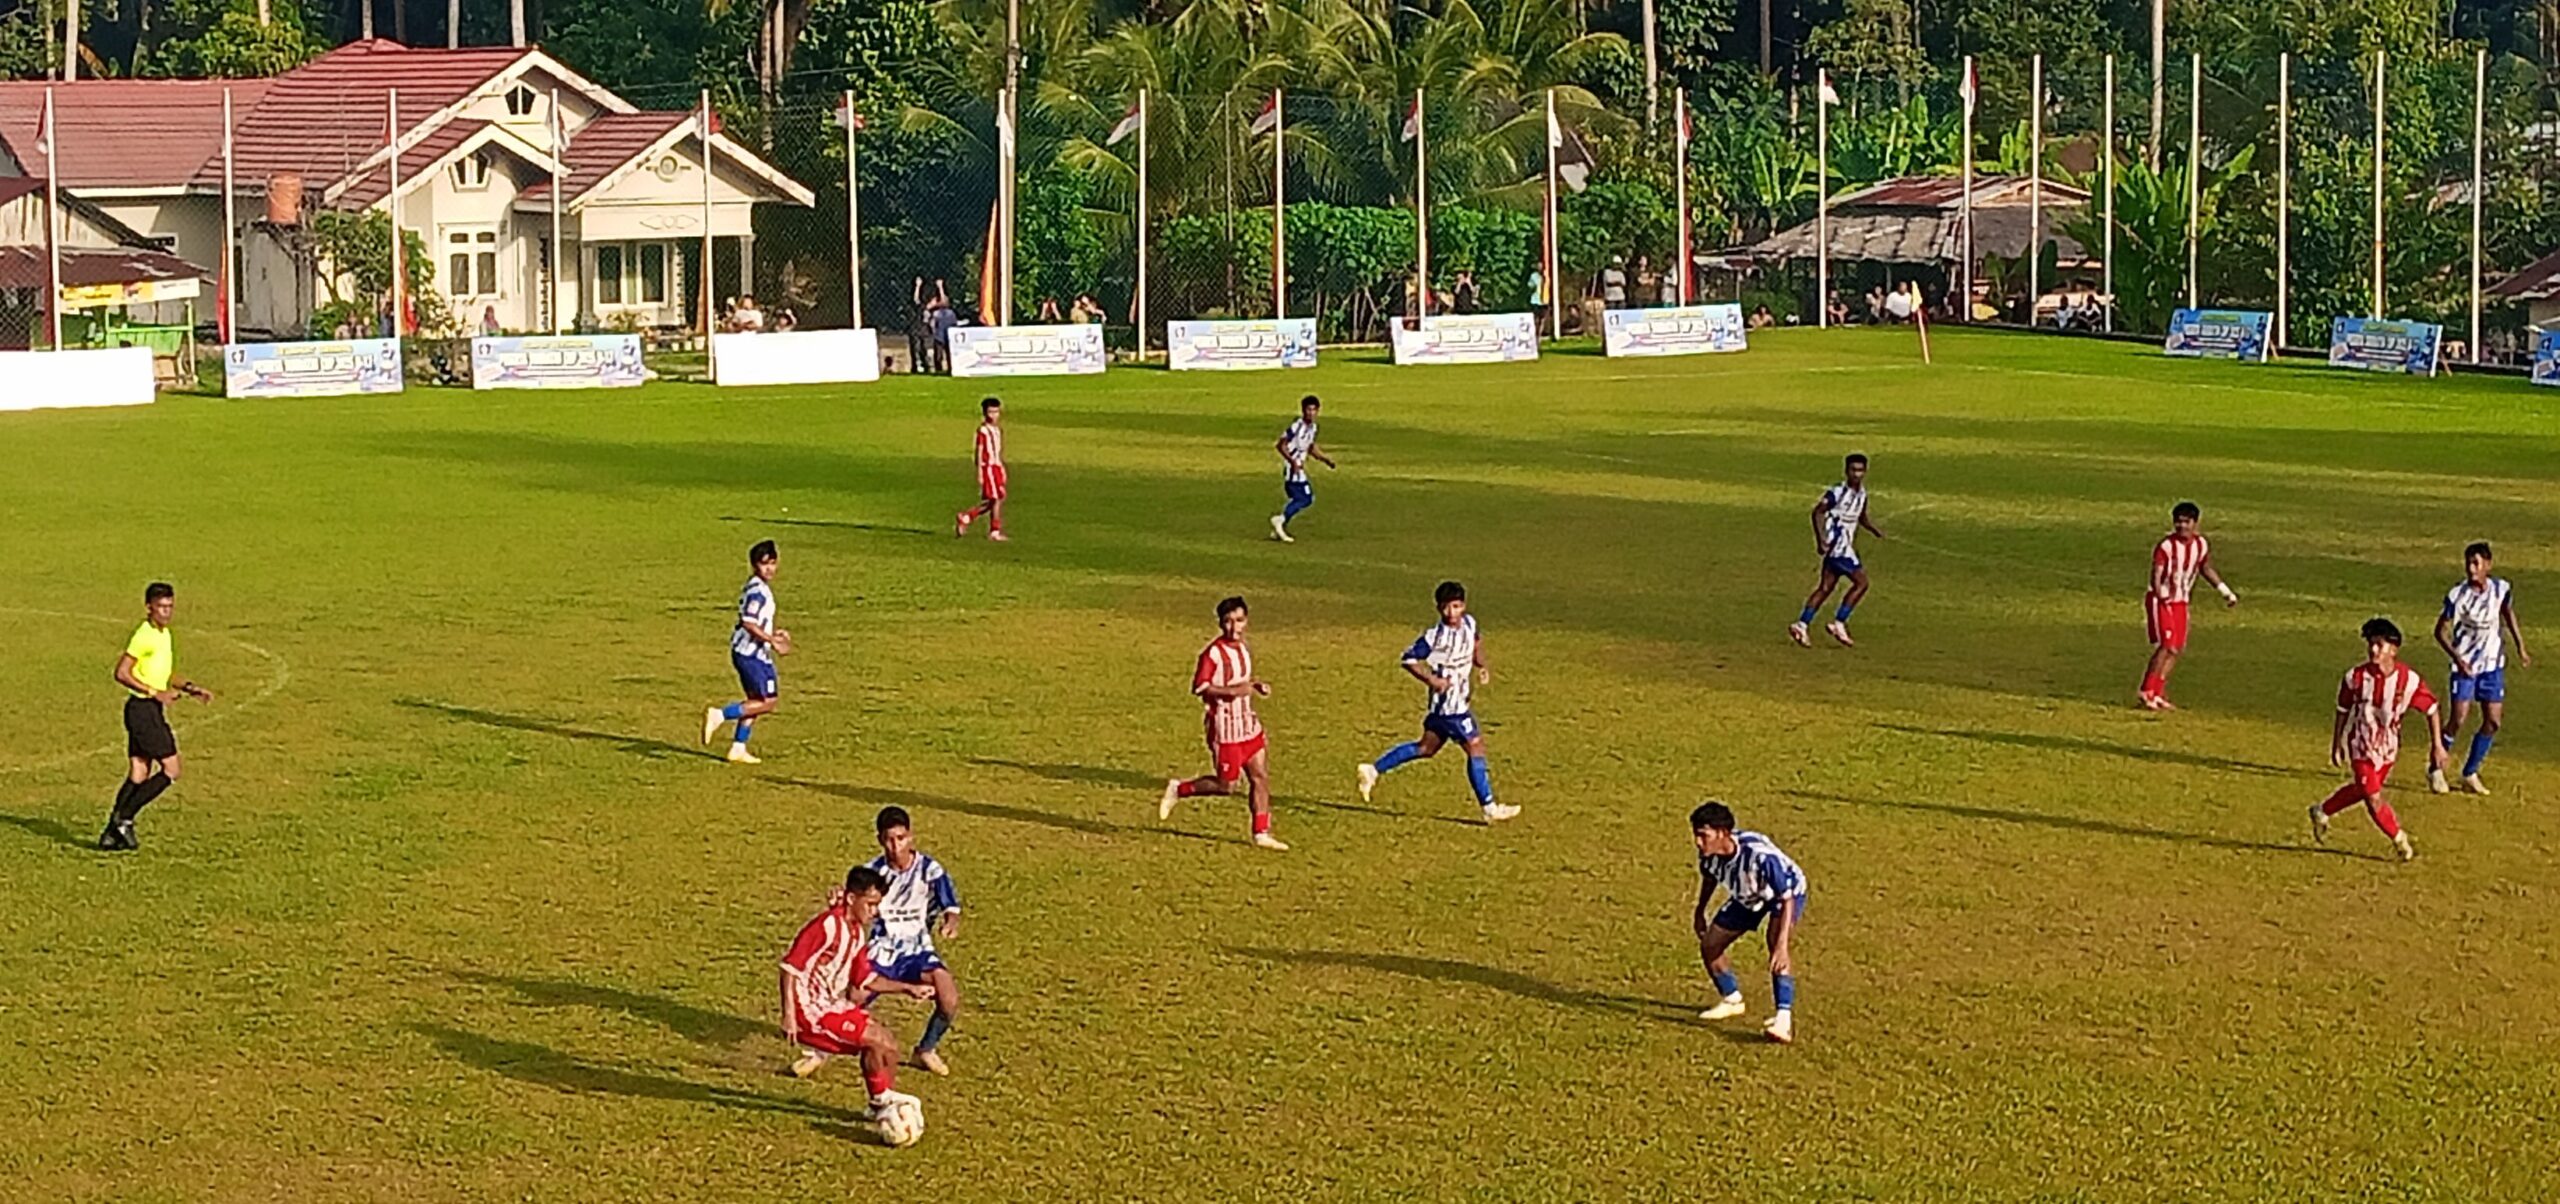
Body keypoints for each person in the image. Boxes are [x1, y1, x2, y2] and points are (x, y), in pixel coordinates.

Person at [779, 865, 932, 1135]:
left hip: (833, 1005)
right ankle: (882, 1102)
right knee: (873, 1041)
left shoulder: (857, 933)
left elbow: (866, 980)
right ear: (852, 899)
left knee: (889, 1045)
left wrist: (907, 988)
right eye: (871, 904)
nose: (874, 912)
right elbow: (789, 968)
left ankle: (881, 1100)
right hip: (811, 1012)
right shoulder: (826, 926)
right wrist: (789, 1015)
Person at [1355, 581, 1517, 823]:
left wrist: (1481, 664)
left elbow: (1476, 642)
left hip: (1451, 705)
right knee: (1475, 746)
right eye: (1446, 608)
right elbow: (1408, 659)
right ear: (1438, 609)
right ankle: (1489, 807)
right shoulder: (1435, 637)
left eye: (1456, 606)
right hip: (1450, 707)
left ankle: (1373, 769)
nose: (1451, 613)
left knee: (1425, 748)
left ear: (1463, 605)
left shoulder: (1470, 623)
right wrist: (1432, 680)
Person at [2311, 618, 2445, 862]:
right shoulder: (2355, 677)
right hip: (2361, 746)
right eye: (2371, 644)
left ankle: (2322, 811)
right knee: (2373, 797)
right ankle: (2400, 840)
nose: (2373, 650)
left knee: (2365, 791)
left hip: (2388, 749)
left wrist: (2437, 746)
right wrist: (2337, 742)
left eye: (2379, 645)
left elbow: (2432, 708)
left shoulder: (2409, 681)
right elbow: (2343, 709)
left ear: (2393, 650)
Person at [1160, 596, 1285, 850]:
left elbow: (1244, 682)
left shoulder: (1244, 649)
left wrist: (1255, 686)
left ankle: (1261, 832)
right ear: (1220, 624)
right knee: (1226, 785)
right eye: (1228, 621)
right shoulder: (1212, 654)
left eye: (1238, 621)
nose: (1233, 627)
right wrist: (1233, 691)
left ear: (1246, 621)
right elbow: (1200, 687)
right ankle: (1180, 789)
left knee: (1260, 776)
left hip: (1248, 724)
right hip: (1225, 729)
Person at [97, 582, 212, 851]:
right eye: (161, 607)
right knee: (172, 770)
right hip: (143, 710)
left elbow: (163, 672)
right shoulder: (144, 635)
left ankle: (111, 834)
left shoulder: (164, 634)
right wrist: (154, 693)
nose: (166, 612)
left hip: (146, 710)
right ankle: (123, 819)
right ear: (149, 607)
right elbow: (122, 672)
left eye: (170, 607)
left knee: (138, 773)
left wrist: (190, 688)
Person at [1691, 801, 1806, 1045]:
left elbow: (1786, 899)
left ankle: (1783, 1020)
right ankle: (1732, 998)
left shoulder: (1761, 858)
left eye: (1703, 836)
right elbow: (1709, 878)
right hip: (1748, 894)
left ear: (1723, 833)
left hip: (1784, 894)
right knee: (1710, 944)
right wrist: (1700, 910)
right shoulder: (1708, 856)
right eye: (1696, 835)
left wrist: (1782, 945)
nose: (1698, 842)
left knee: (1774, 944)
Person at [862, 806, 964, 1076]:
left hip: (918, 950)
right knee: (852, 999)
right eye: (889, 839)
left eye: (901, 838)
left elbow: (951, 907)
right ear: (880, 840)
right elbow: (853, 906)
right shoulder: (872, 872)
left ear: (911, 837)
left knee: (949, 998)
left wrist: (950, 924)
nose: (896, 846)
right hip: (882, 949)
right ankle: (819, 1052)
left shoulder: (929, 870)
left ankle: (925, 1050)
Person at [2431, 541, 2529, 794]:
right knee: (2458, 719)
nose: (2471, 569)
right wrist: (2458, 659)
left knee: (2493, 721)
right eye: (2468, 563)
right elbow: (2439, 631)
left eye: (2476, 563)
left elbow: (2508, 613)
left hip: (2492, 666)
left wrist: (2520, 646)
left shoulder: (2501, 589)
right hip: (2465, 667)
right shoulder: (2458, 596)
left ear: (2488, 564)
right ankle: (2435, 768)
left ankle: (2469, 772)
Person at [2138, 502, 2239, 711]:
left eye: (2186, 522)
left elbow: (2205, 568)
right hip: (2162, 600)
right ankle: (2146, 690)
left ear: (2195, 523)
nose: (2182, 526)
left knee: (2177, 649)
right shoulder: (2165, 546)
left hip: (2181, 602)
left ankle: (2158, 692)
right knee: (2166, 645)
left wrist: (2225, 591)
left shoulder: (2200, 545)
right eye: (2178, 521)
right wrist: (2161, 597)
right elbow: (2155, 575)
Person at [703, 540, 790, 765]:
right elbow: (749, 622)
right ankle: (720, 715)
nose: (769, 569)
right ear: (754, 565)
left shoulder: (756, 587)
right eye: (764, 564)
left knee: (755, 700)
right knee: (768, 701)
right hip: (751, 654)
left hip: (748, 652)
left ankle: (738, 748)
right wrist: (772, 640)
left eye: (772, 563)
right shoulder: (758, 592)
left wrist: (774, 633)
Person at [1790, 454, 1883, 648]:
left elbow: (1861, 517)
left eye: (1860, 470)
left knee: (1825, 588)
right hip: (1838, 547)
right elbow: (1817, 512)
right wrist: (1821, 540)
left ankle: (1802, 624)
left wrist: (1874, 530)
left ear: (1865, 472)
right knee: (1861, 583)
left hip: (1844, 548)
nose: (1856, 474)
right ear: (1846, 471)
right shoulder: (1837, 492)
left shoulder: (1862, 494)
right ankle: (1838, 623)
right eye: (1853, 470)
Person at [1269, 394, 1335, 543]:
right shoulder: (1296, 426)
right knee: (1305, 498)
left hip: (1298, 468)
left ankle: (1278, 529)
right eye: (1308, 410)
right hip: (1293, 469)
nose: (1311, 413)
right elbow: (1281, 445)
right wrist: (1292, 462)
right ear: (1303, 410)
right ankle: (1280, 520)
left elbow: (1310, 447)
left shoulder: (1313, 428)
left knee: (1300, 498)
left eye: (1314, 410)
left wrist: (1325, 459)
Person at [955, 397, 1008, 541]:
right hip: (988, 468)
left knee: (996, 500)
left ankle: (966, 517)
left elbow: (998, 451)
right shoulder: (983, 431)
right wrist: (980, 472)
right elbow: (979, 451)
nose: (994, 415)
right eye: (991, 412)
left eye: (996, 412)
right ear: (985, 413)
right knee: (995, 499)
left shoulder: (998, 430)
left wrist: (1002, 468)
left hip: (996, 467)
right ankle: (994, 531)